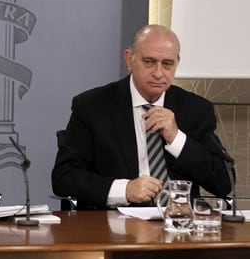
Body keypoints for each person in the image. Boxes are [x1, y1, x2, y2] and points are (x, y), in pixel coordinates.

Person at [51, 24, 232, 210]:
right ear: (129, 60)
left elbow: (224, 183)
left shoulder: (196, 109)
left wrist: (177, 139)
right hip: (114, 227)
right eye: (149, 61)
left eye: (167, 64)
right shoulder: (93, 107)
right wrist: (125, 190)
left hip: (178, 226)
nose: (158, 73)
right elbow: (64, 177)